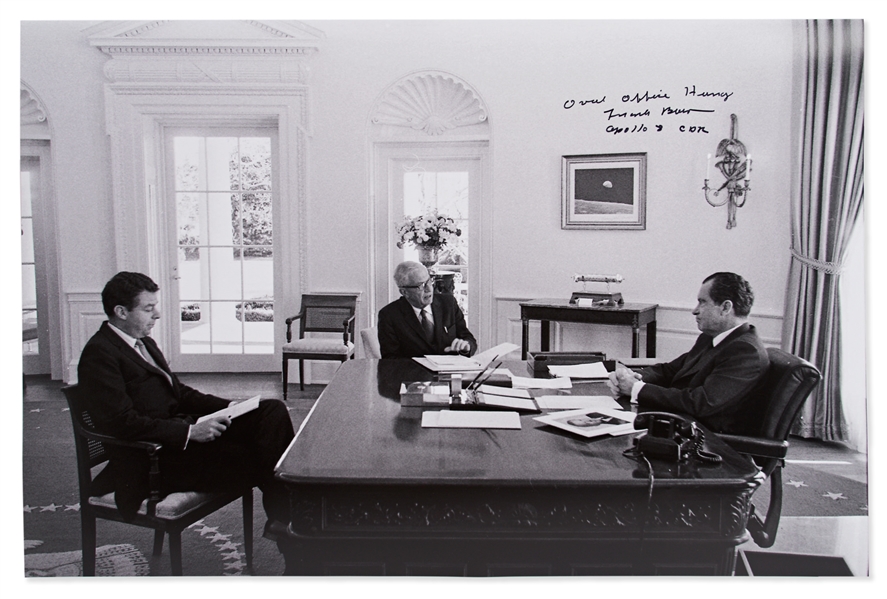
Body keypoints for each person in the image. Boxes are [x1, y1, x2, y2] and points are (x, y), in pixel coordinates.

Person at [77, 271, 294, 538]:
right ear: (121, 311)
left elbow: (178, 392)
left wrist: (233, 406)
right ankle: (289, 522)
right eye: (148, 308)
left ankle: (285, 520)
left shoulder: (143, 343)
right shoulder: (99, 354)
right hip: (152, 458)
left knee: (269, 410)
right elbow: (122, 423)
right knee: (256, 455)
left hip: (178, 440)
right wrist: (190, 433)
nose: (156, 315)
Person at [607, 272, 770, 435]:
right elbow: (669, 370)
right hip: (683, 424)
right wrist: (632, 377)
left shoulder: (746, 351)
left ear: (725, 307)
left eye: (702, 302)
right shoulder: (710, 337)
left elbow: (701, 403)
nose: (695, 311)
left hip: (710, 441)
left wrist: (637, 389)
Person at [378, 261, 477, 359]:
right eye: (421, 286)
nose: (429, 289)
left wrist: (466, 347)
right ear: (404, 292)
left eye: (429, 281)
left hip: (448, 372)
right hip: (413, 374)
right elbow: (391, 360)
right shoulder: (389, 315)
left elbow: (468, 339)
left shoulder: (448, 303)